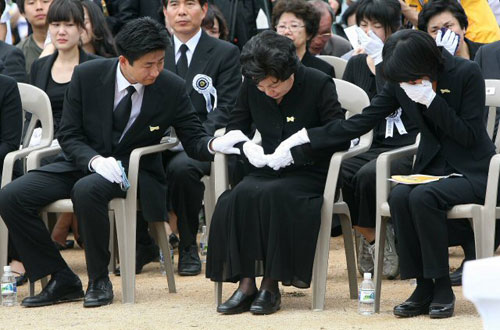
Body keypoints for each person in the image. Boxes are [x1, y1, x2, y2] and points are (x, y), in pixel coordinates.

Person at [0, 16, 247, 308]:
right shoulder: (88, 75)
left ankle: (99, 280)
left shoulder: (171, 87)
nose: (156, 71)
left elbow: (193, 138)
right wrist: (93, 160)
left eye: (160, 62)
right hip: (82, 162)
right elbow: (69, 134)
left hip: (134, 170)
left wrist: (215, 144)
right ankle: (60, 277)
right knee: (12, 195)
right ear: (124, 60)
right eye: (148, 64)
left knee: (88, 190)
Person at [270, 29, 494, 319]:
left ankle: (441, 287)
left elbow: (468, 135)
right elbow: (361, 121)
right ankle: (422, 286)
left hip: (472, 171)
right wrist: (306, 138)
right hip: (430, 170)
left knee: (424, 197)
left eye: (409, 78)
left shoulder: (466, 72)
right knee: (400, 195)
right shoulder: (403, 81)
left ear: (427, 64)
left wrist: (433, 101)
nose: (405, 84)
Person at [206, 30, 347, 315]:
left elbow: (339, 134)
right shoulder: (252, 85)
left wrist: (297, 151)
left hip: (309, 171)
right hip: (266, 167)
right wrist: (247, 148)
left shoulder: (318, 83)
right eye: (262, 87)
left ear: (290, 71)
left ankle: (271, 284)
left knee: (275, 195)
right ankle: (246, 283)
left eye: (275, 85)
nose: (269, 92)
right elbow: (237, 126)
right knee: (236, 197)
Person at [161, 0, 241, 276]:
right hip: (157, 139)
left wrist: (197, 137)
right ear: (165, 12)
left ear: (204, 10)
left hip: (203, 139)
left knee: (182, 168)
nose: (181, 11)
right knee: (130, 162)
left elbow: (227, 106)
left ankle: (187, 245)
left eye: (189, 4)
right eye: (174, 4)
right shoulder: (154, 49)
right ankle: (142, 243)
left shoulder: (225, 52)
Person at [340, 0, 418, 279]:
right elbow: (349, 113)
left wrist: (385, 64)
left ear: (393, 29)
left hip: (406, 145)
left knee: (368, 175)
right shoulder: (357, 63)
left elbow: (407, 104)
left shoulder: (408, 61)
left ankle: (377, 237)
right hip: (368, 144)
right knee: (337, 169)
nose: (368, 32)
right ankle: (372, 235)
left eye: (377, 26)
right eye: (363, 25)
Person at [272, 0, 335, 77]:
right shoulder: (265, 66)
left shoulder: (323, 69)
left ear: (309, 33)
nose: (286, 31)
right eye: (282, 26)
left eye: (294, 26)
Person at [418, 0, 483, 61]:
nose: (444, 34)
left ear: (463, 27)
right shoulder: (425, 67)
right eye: (435, 30)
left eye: (448, 26)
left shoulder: (487, 53)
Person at [16, 0, 53, 75]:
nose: (39, 7)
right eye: (31, 2)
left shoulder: (73, 44)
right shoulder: (18, 52)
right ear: (22, 12)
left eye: (45, 1)